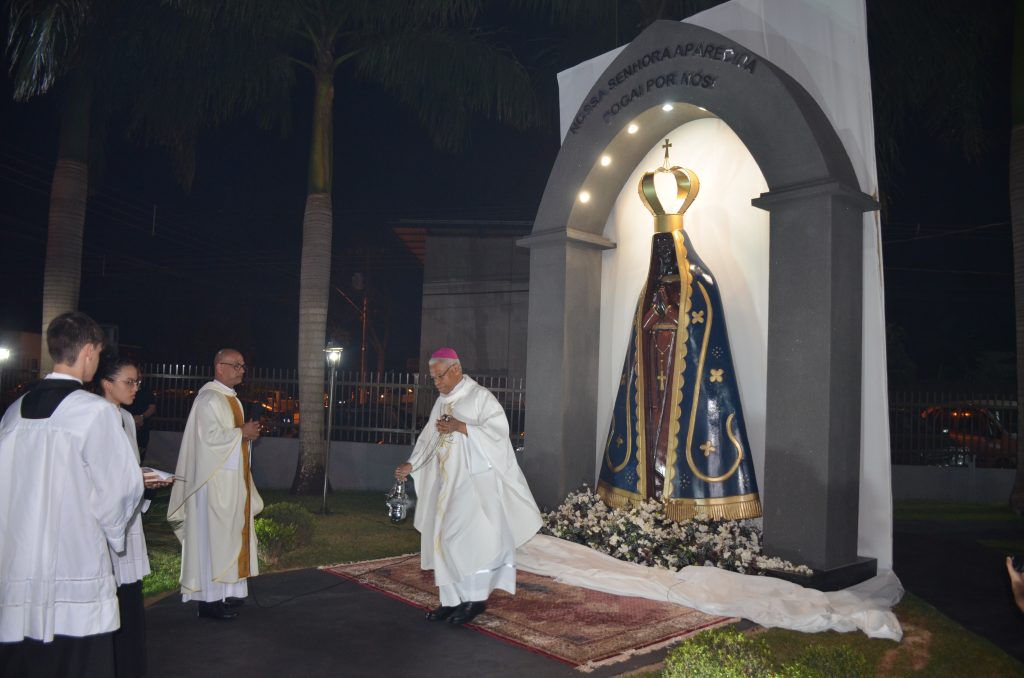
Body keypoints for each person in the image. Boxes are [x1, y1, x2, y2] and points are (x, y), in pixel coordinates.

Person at [597, 147, 762, 521]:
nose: (664, 256)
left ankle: (685, 505)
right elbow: (641, 332)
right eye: (660, 250)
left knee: (678, 439)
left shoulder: (701, 284)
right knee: (651, 435)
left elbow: (701, 326)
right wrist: (655, 314)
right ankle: (648, 500)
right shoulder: (649, 288)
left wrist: (669, 312)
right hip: (654, 377)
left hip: (682, 378)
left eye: (668, 249)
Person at [0, 312, 144, 678]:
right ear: (88, 351)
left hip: (19, 561)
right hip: (74, 561)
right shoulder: (94, 413)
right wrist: (111, 532)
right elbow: (122, 488)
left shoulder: (15, 412)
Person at [394, 348, 541, 626]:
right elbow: (428, 438)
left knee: (470, 542)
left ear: (456, 369)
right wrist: (412, 465)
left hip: (473, 487)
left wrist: (462, 427)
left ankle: (474, 601)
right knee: (441, 540)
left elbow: (499, 436)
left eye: (440, 376)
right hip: (445, 485)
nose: (437, 383)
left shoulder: (480, 398)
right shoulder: (441, 402)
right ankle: (450, 600)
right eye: (433, 378)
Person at [167, 348, 263, 620]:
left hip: (229, 482)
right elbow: (208, 440)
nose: (241, 370)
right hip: (211, 485)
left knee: (228, 538)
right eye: (236, 365)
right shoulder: (208, 399)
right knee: (213, 540)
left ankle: (223, 594)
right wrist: (240, 433)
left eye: (243, 366)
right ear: (220, 367)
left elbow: (227, 438)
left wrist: (244, 436)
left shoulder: (229, 399)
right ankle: (207, 601)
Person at [93, 354, 173, 678]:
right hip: (105, 522)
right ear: (106, 383)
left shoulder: (127, 419)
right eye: (129, 382)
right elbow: (100, 476)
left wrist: (146, 479)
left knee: (129, 600)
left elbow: (126, 470)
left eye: (138, 382)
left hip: (128, 520)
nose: (136, 388)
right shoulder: (96, 419)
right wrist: (137, 480)